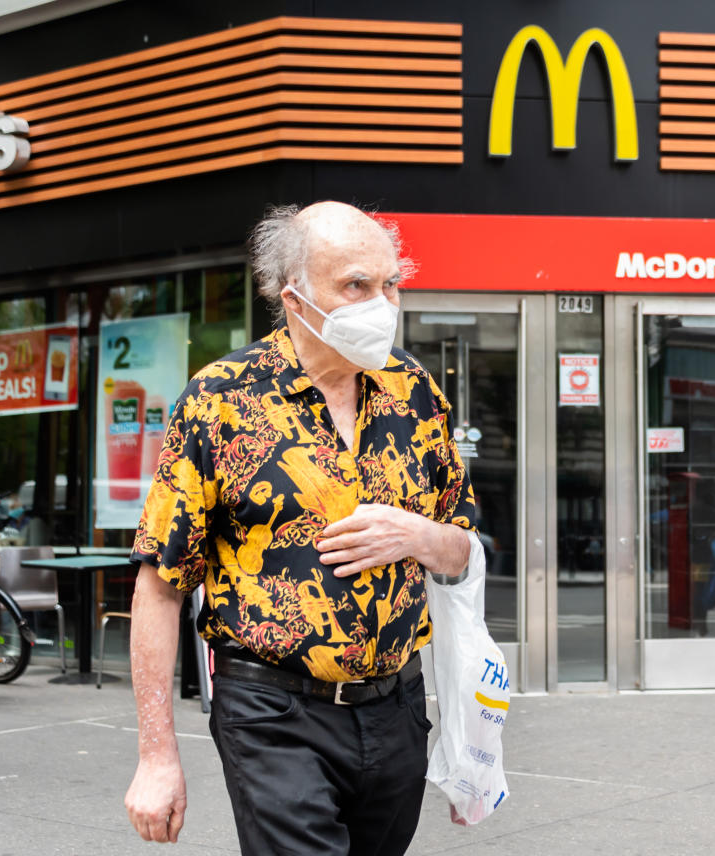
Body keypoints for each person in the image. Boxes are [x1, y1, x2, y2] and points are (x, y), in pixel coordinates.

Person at [125, 201, 476, 853]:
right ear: (294, 297)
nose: (383, 302)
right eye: (356, 286)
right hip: (273, 712)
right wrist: (156, 756)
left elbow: (461, 549)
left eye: (390, 282)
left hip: (397, 709)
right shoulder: (221, 402)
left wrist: (417, 536)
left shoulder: (415, 391)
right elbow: (160, 585)